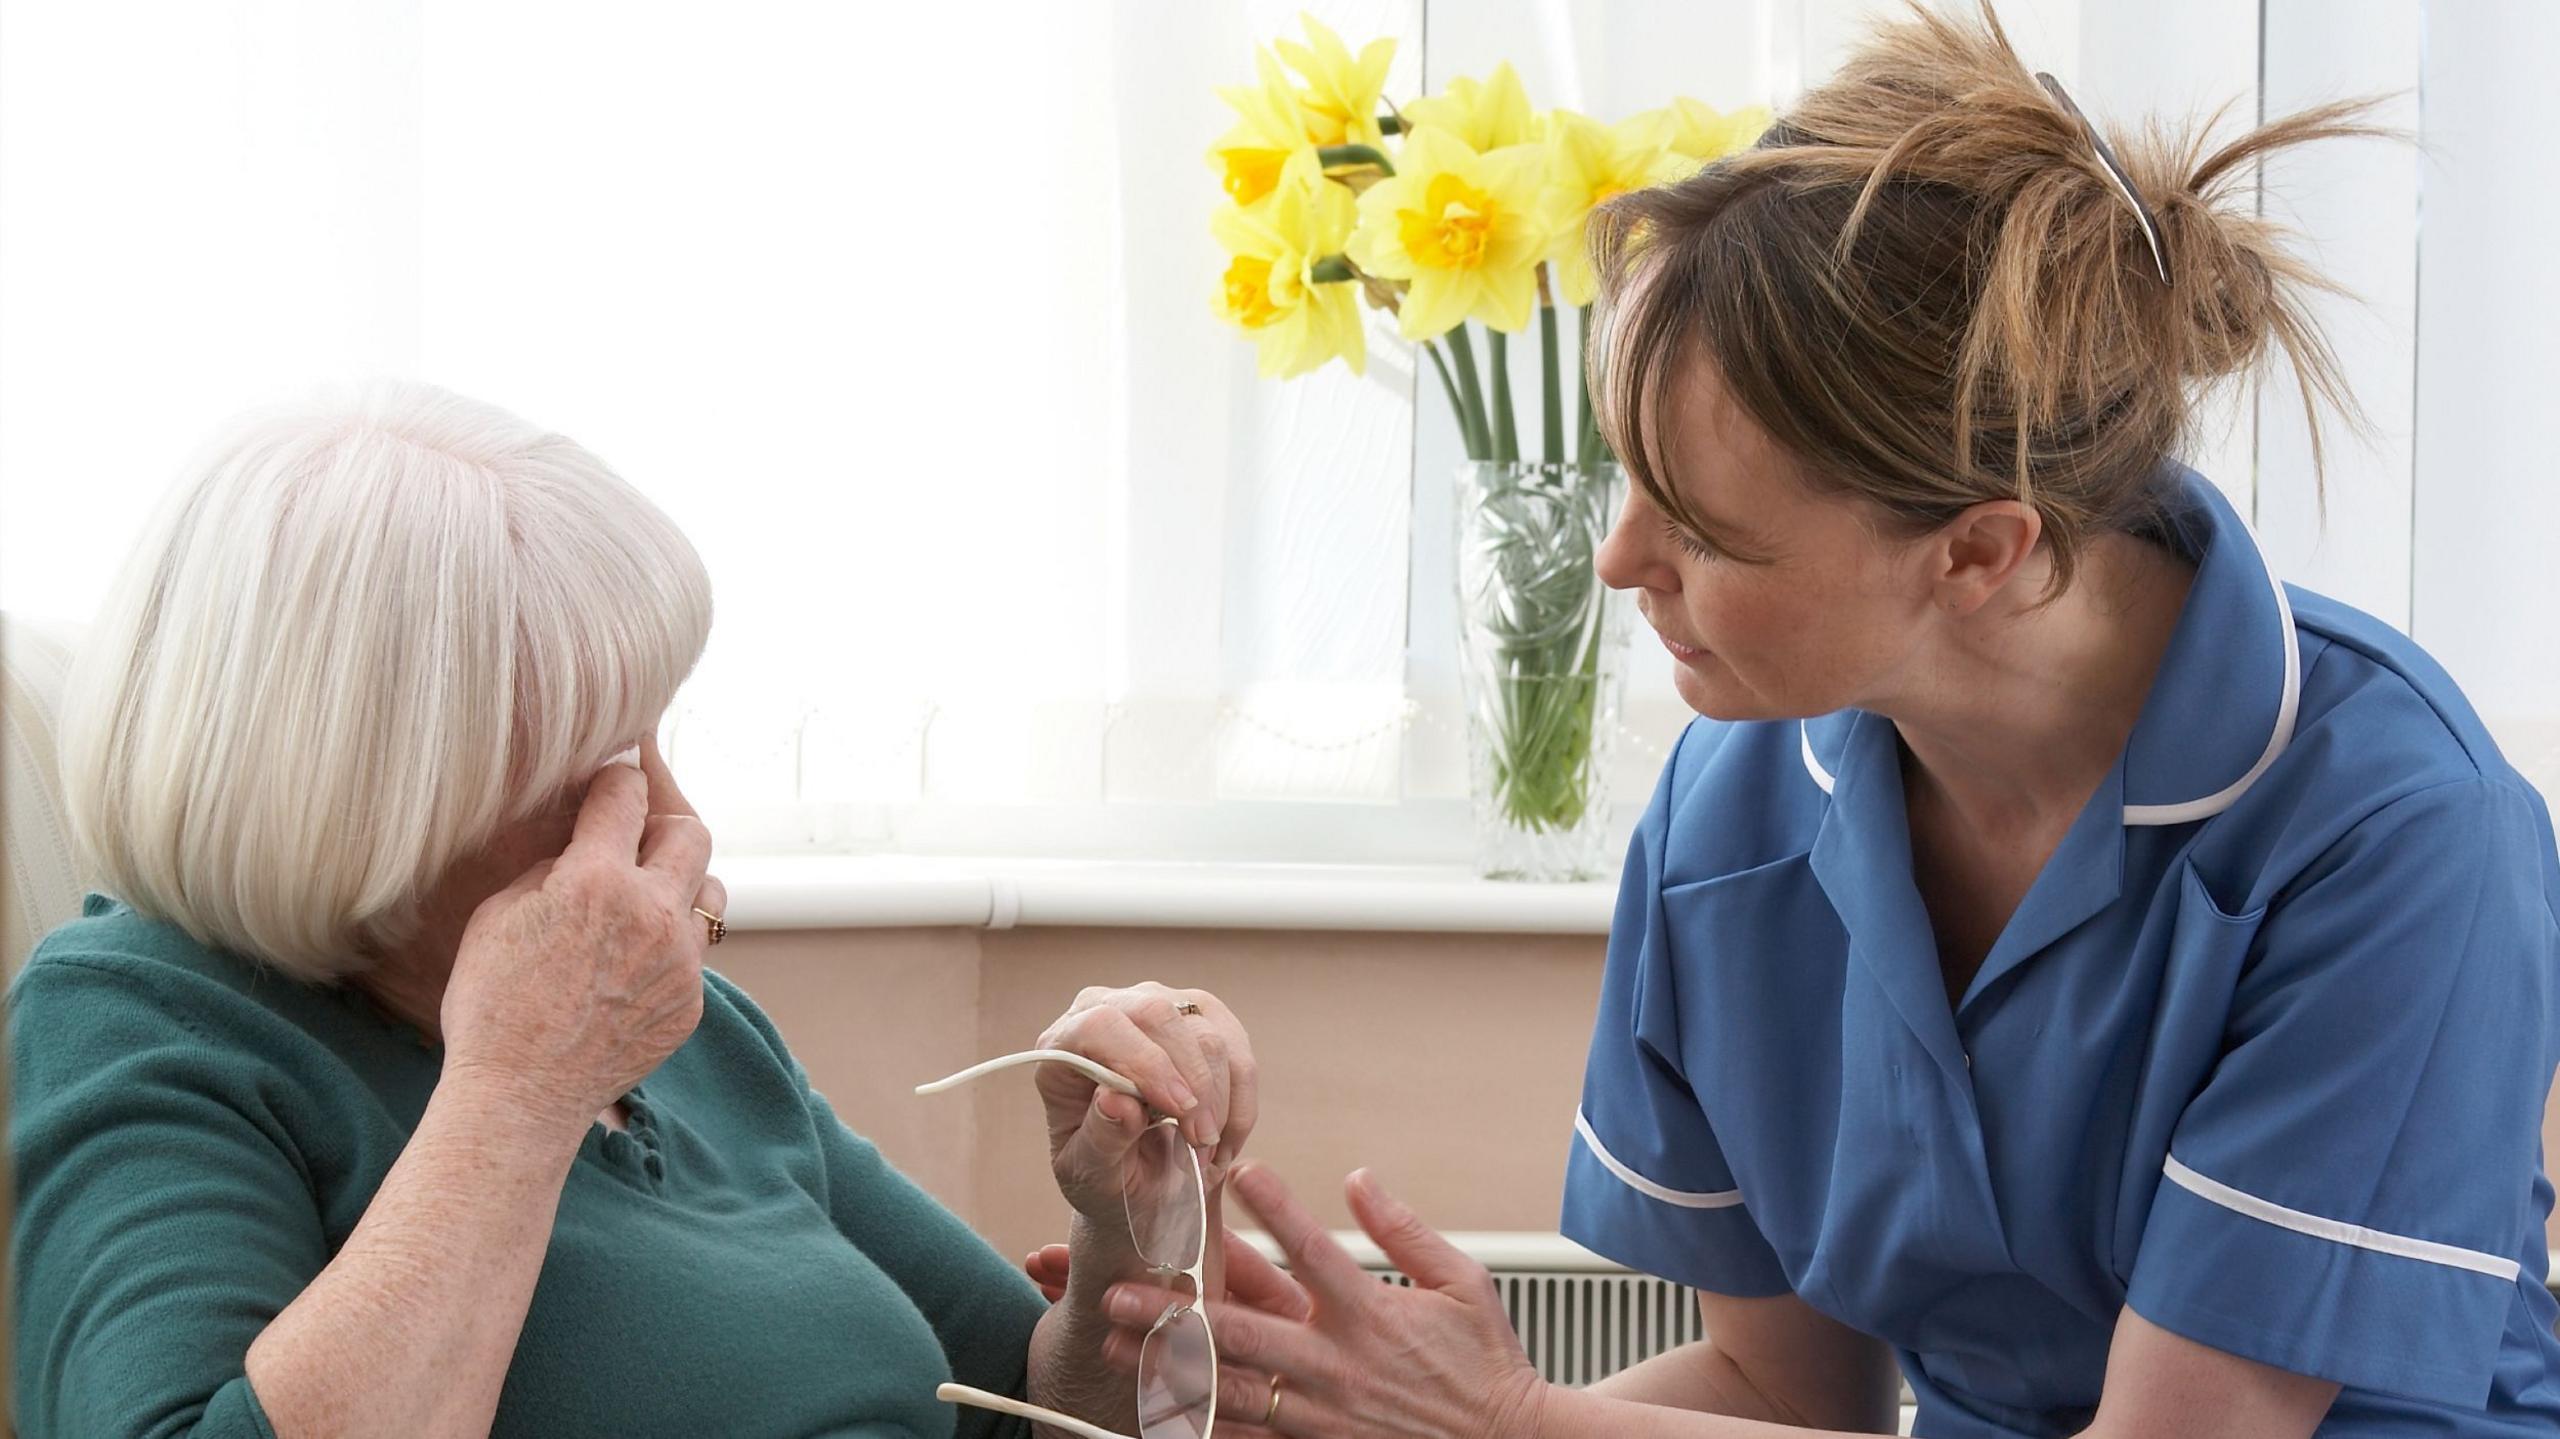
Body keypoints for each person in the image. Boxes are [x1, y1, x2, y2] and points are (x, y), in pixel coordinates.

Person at [1081, 7, 2560, 1436]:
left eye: (1707, 532)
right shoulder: (1733, 811)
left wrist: (1513, 1417)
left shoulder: (2397, 830)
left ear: (1980, 550)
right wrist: (1361, 1400)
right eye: (1626, 482)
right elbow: (1782, 1396)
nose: (1618, 563)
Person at [10, 380, 1258, 1438]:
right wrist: (523, 1085)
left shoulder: (698, 1033)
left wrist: (1116, 1225)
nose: (670, 813)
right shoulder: (141, 1021)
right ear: (355, 793)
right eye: (591, 760)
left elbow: (1023, 1409)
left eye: (655, 733)